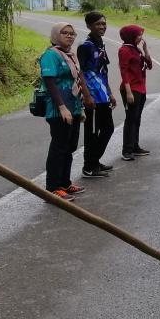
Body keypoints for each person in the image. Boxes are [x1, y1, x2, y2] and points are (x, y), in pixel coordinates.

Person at [40, 23, 86, 200]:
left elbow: (77, 81)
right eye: (64, 33)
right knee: (59, 147)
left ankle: (65, 183)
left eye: (72, 33)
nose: (69, 36)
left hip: (73, 107)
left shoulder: (70, 55)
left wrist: (79, 107)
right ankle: (53, 187)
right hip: (58, 109)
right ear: (55, 35)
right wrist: (61, 107)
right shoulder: (51, 55)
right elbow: (50, 82)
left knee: (70, 146)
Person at [77, 11, 117, 178]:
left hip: (102, 95)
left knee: (107, 128)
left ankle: (95, 161)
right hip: (92, 97)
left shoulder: (100, 43)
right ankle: (89, 166)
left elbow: (103, 71)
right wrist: (87, 96)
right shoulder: (85, 46)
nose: (102, 27)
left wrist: (110, 93)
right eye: (98, 24)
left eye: (103, 24)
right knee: (92, 133)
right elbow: (81, 73)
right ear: (89, 26)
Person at [118, 24, 153, 161]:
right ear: (131, 36)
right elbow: (123, 70)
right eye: (138, 35)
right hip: (131, 89)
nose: (141, 38)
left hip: (140, 88)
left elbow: (149, 66)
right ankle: (127, 150)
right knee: (131, 119)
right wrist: (128, 92)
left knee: (136, 119)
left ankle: (134, 146)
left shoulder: (136, 50)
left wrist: (145, 50)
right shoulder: (125, 50)